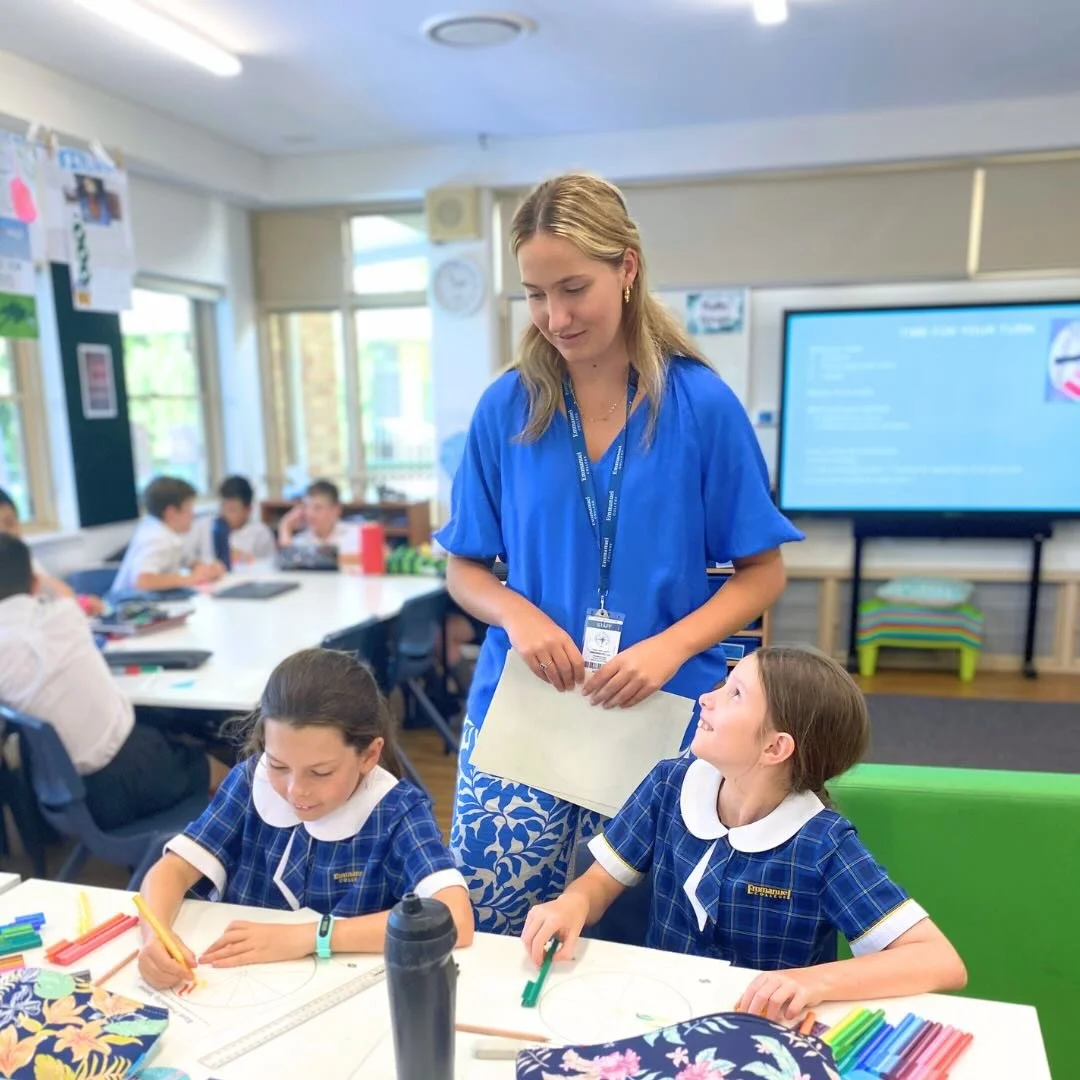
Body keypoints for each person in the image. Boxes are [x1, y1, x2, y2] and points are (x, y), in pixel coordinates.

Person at [434, 172, 803, 933]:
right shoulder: (506, 408)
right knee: (494, 927)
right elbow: (464, 567)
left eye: (574, 289)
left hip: (661, 709)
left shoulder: (701, 406)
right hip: (527, 704)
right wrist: (519, 617)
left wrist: (669, 648)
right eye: (536, 295)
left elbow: (763, 573)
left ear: (627, 268)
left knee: (655, 931)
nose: (555, 317)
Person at [522, 646, 967, 1022]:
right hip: (655, 1011)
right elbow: (602, 880)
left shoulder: (822, 844)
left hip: (759, 1032)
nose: (706, 698)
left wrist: (812, 982)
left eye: (734, 693)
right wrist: (572, 903)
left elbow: (939, 960)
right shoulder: (670, 783)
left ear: (775, 747)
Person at [137, 647, 474, 990]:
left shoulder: (396, 810)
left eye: (321, 772)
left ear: (369, 755)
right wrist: (155, 936)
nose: (296, 790)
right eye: (279, 765)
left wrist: (312, 936)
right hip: (238, 983)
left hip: (343, 992)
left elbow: (456, 919)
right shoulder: (251, 781)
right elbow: (173, 869)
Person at [0, 534, 228, 830]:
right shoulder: (66, 615)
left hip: (62, 796)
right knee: (214, 767)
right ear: (34, 582)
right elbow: (66, 595)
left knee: (152, 725)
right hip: (128, 775)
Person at [111, 476, 225, 596]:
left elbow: (186, 560)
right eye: (189, 507)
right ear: (171, 513)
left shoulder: (168, 533)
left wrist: (205, 569)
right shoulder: (156, 538)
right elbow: (142, 581)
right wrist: (189, 579)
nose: (193, 514)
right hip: (130, 604)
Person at [0, 486, 100, 611]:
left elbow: (62, 594)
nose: (4, 532)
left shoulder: (22, 559)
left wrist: (82, 603)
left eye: (10, 523)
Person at [190, 475, 276, 569]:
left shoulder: (260, 533)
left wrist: (243, 558)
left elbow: (270, 566)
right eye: (222, 507)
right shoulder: (205, 526)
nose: (224, 514)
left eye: (232, 510)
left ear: (247, 510)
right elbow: (189, 559)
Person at [277, 479, 353, 550]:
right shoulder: (300, 542)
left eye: (317, 508)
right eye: (306, 507)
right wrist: (285, 526)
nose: (310, 513)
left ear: (336, 510)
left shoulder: (354, 535)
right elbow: (289, 557)